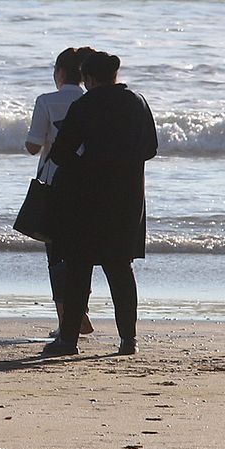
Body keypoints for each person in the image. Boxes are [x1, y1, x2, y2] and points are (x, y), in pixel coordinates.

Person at [41, 51, 159, 357]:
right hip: (128, 199)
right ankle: (128, 340)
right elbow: (150, 149)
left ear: (89, 79)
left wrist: (87, 165)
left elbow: (60, 153)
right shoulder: (138, 102)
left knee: (79, 268)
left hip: (87, 198)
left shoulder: (85, 105)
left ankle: (68, 340)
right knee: (121, 269)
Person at [25, 46, 95, 337]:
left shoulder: (46, 101)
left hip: (53, 181)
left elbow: (32, 146)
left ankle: (66, 317)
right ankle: (82, 311)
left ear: (61, 72)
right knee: (82, 251)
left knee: (55, 252)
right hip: (88, 181)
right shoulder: (91, 101)